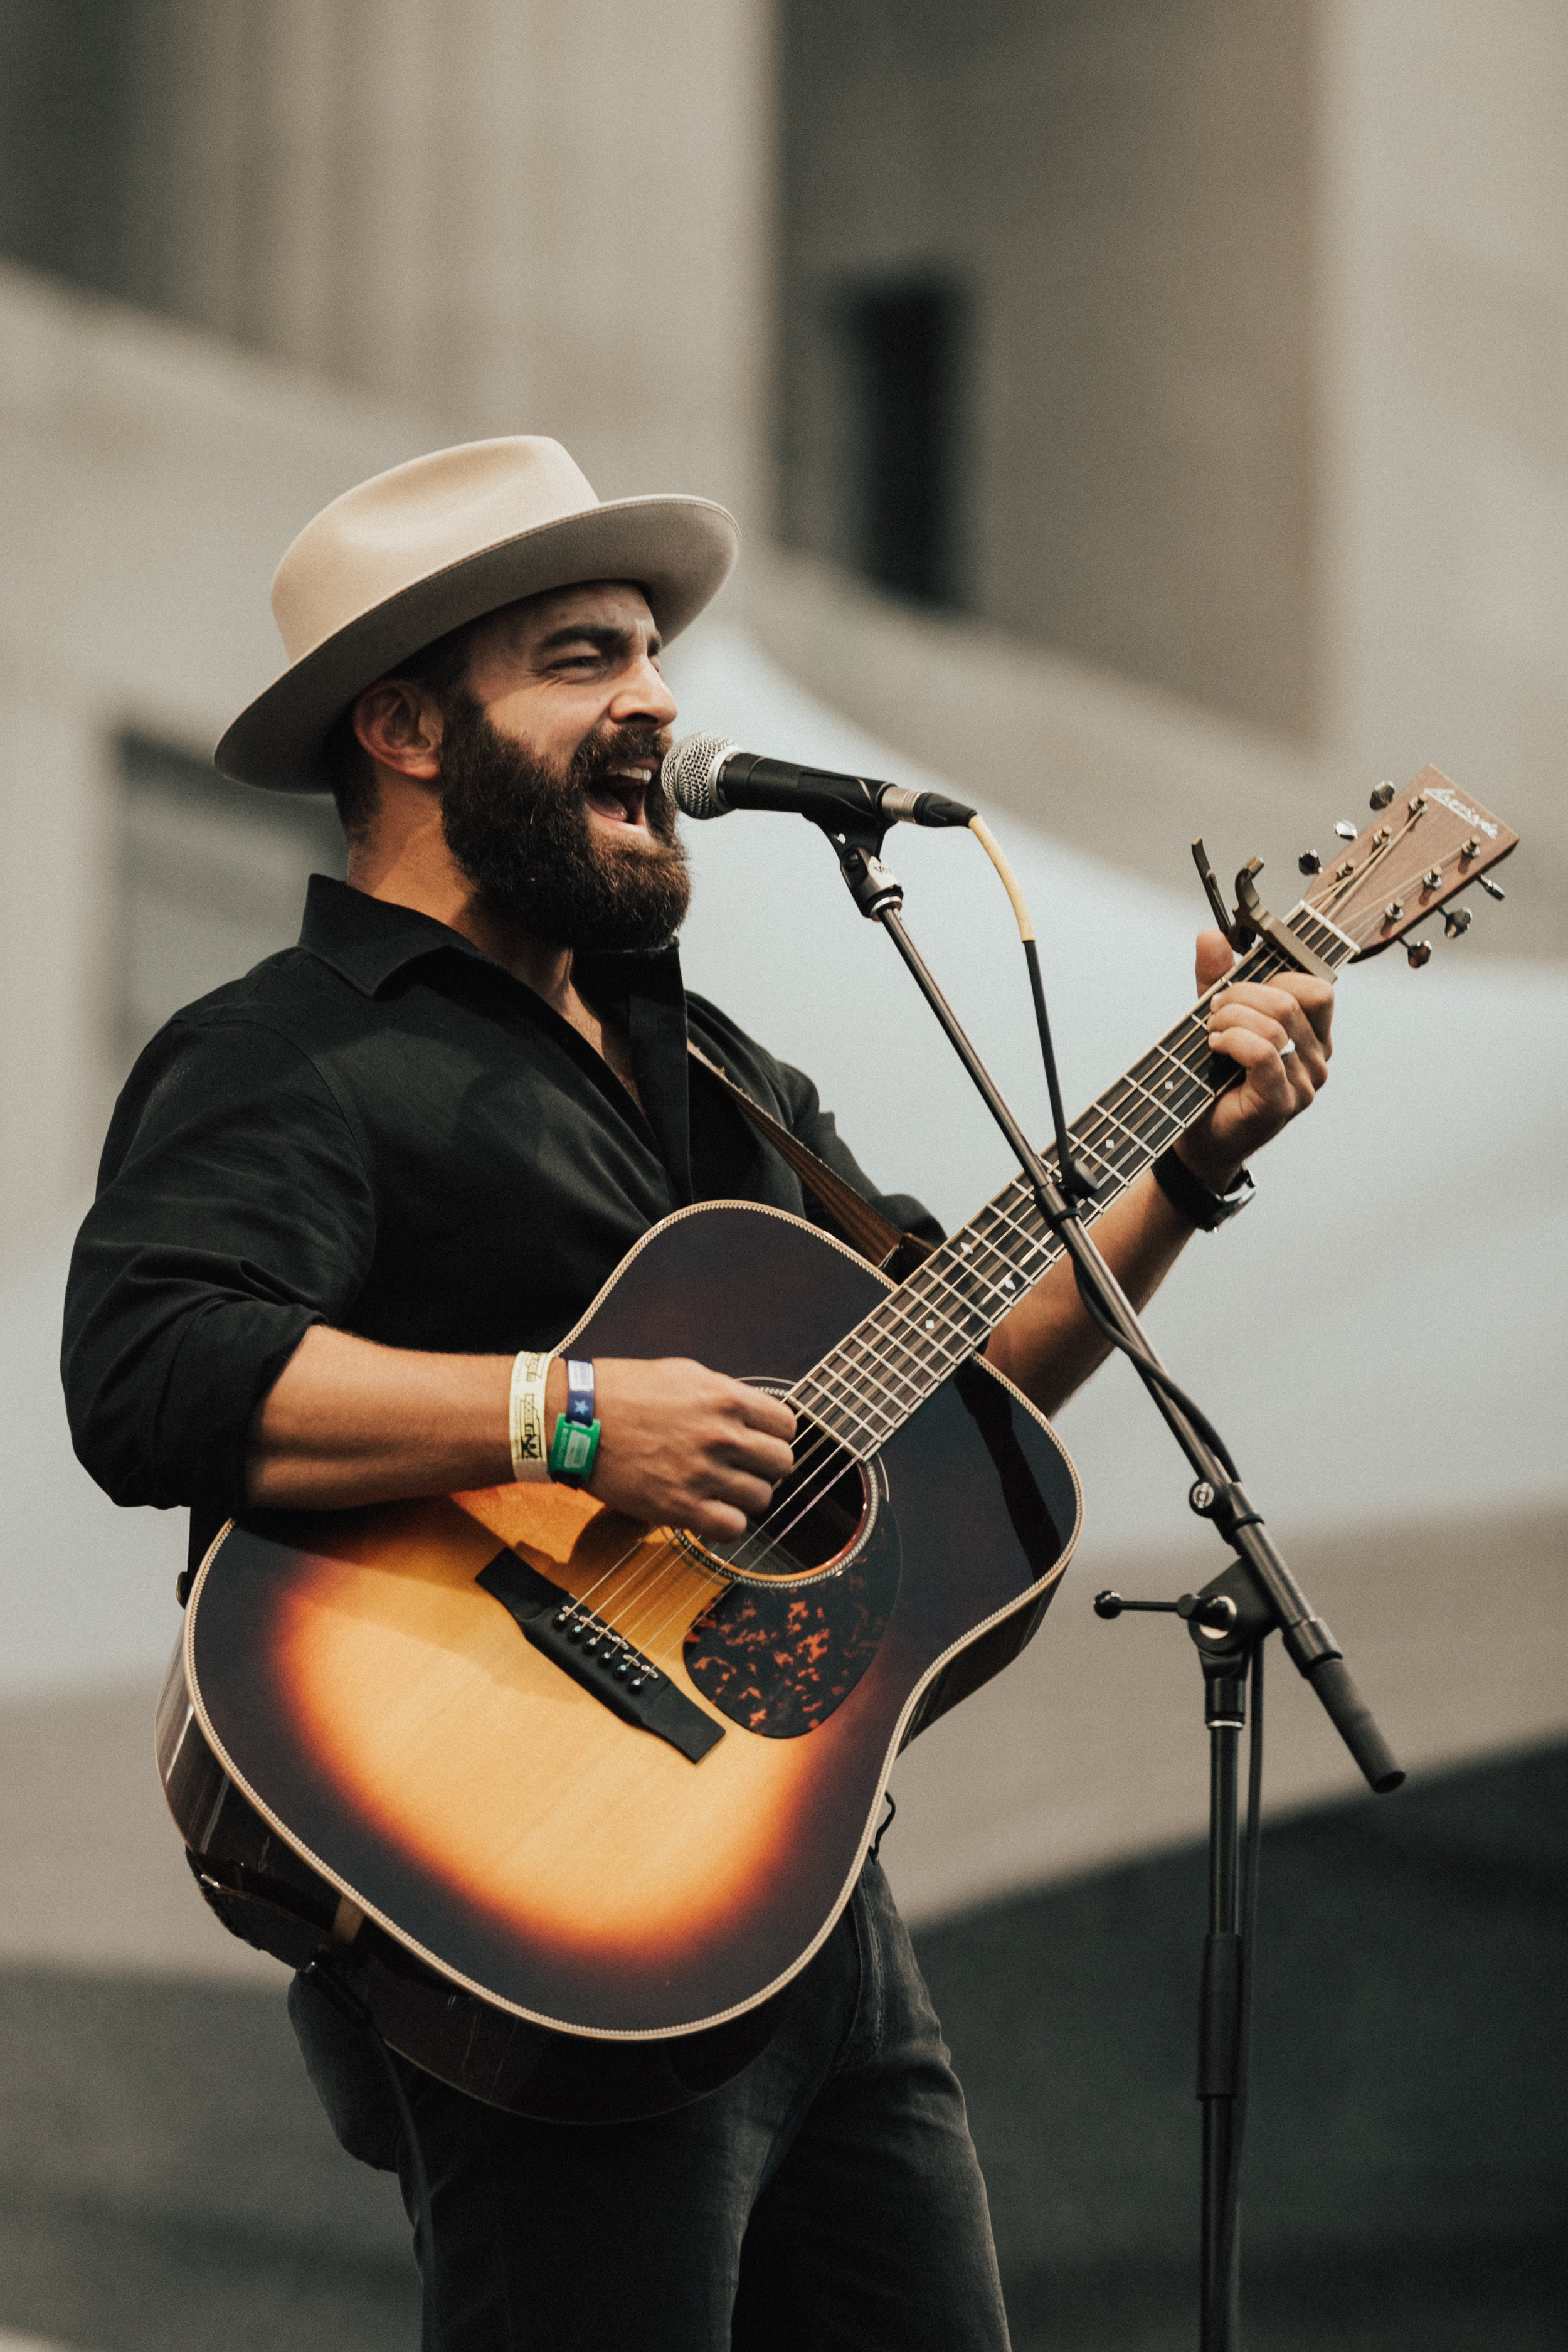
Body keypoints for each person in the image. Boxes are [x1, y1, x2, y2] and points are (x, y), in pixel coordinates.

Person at [61, 437, 1333, 2349]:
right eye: (582, 657)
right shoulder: (293, 1053)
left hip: (797, 1902)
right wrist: (571, 1422)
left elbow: (961, 1376)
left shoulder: (714, 1068)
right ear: (407, 727)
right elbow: (150, 1374)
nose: (658, 699)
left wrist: (1194, 1166)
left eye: (654, 659)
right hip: (527, 1888)